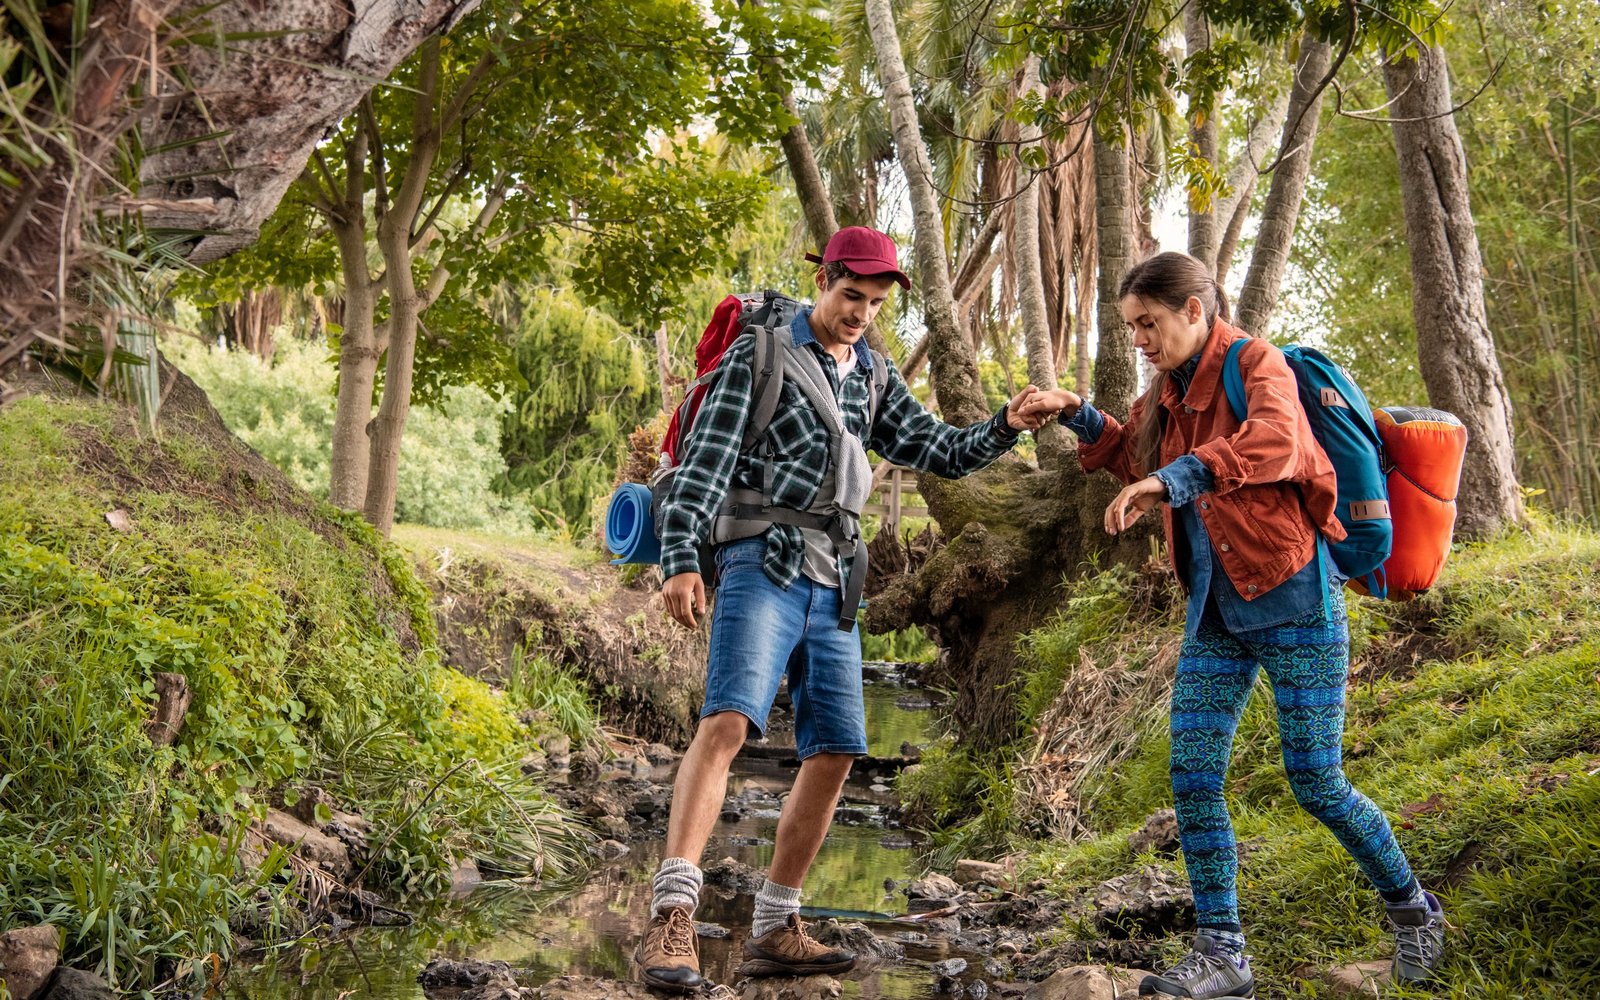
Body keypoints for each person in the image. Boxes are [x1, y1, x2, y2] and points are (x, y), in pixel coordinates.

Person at [1018, 251, 1446, 999]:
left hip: (1297, 602)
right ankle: (1225, 954)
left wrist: (1172, 480)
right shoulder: (1168, 392)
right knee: (1192, 773)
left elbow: (1277, 444)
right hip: (1215, 609)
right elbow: (1133, 453)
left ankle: (1415, 913)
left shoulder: (1260, 365)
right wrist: (1074, 412)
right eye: (1132, 329)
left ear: (1194, 309)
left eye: (1149, 324)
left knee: (1316, 782)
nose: (1141, 341)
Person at [636, 226, 1053, 992]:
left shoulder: (874, 375)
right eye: (850, 295)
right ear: (823, 280)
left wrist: (1007, 424)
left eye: (874, 302)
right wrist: (680, 560)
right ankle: (671, 917)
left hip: (837, 577)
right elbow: (704, 465)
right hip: (759, 560)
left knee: (835, 749)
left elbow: (939, 450)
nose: (860, 312)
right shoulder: (758, 354)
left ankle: (774, 924)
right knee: (728, 722)